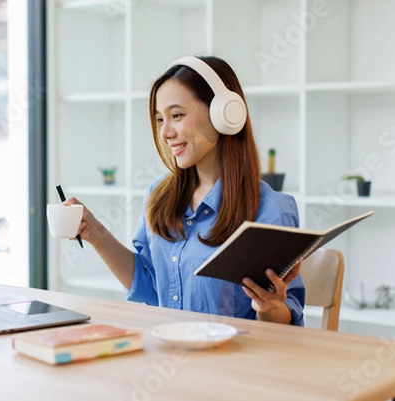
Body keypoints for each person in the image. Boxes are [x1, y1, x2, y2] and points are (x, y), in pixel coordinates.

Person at [66, 55, 305, 325]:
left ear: (224, 114)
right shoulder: (159, 195)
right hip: (169, 354)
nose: (165, 132)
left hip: (234, 361)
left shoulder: (270, 211)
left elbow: (287, 324)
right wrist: (94, 231)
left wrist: (270, 309)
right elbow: (149, 285)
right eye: (159, 119)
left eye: (176, 115)